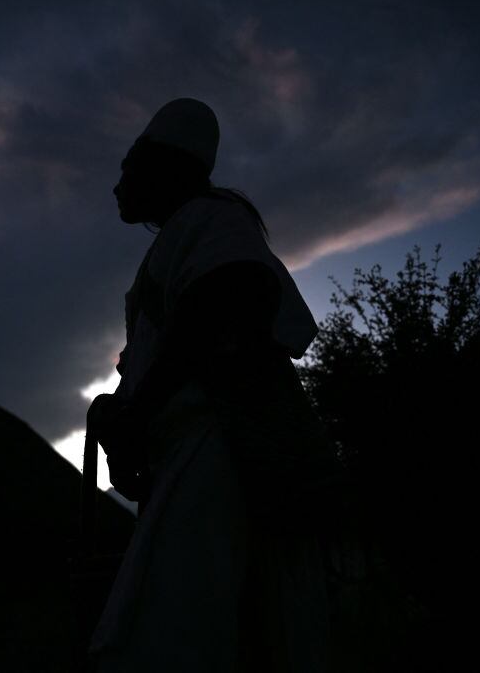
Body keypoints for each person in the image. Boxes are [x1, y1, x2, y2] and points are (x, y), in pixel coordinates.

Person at [86, 98, 337, 672]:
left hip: (217, 451)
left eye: (130, 166)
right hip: (190, 452)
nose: (118, 183)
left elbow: (234, 292)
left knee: (183, 627)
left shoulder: (211, 220)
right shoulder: (183, 234)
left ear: (166, 166)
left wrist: (137, 410)